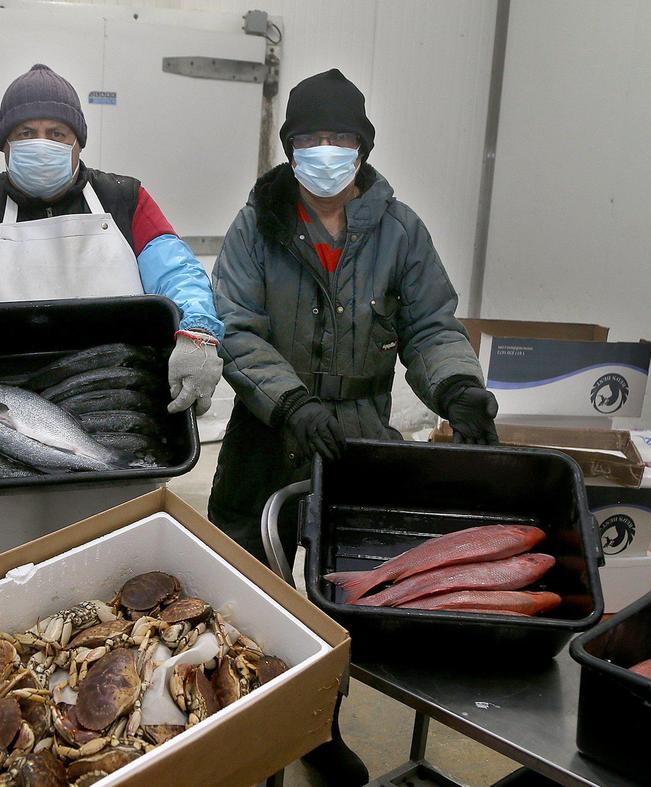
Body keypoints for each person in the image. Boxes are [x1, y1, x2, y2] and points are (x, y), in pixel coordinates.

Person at [208, 68, 499, 785]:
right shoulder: (258, 224)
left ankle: (319, 726)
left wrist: (458, 387)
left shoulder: (399, 231)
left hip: (360, 434)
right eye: (309, 137)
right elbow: (237, 330)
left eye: (340, 136)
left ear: (364, 145)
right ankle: (240, 725)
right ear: (289, 146)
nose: (325, 151)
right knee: (244, 583)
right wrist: (290, 402)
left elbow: (430, 325)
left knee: (346, 588)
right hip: (267, 431)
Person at [0, 64, 223, 416]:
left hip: (118, 395)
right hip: (5, 403)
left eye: (57, 133)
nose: (42, 144)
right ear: (4, 144)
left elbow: (178, 272)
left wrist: (197, 330)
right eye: (25, 133)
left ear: (78, 142)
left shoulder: (124, 199)